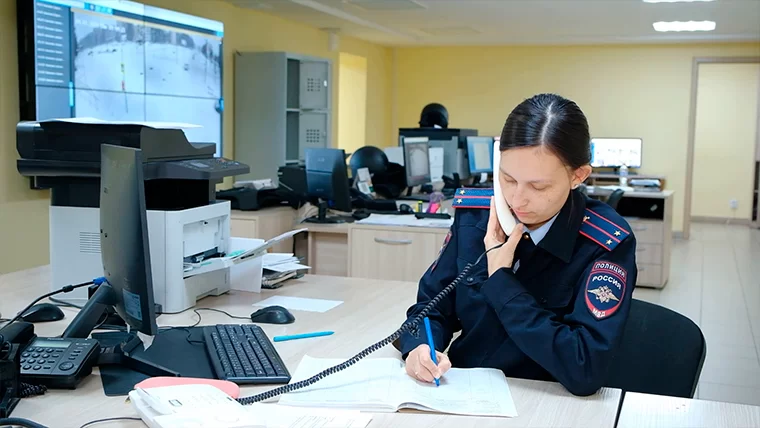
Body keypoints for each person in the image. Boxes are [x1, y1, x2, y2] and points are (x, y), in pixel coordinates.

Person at [397, 93, 638, 397]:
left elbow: (584, 368)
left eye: (538, 186)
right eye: (508, 179)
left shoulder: (605, 242)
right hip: (461, 392)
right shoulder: (476, 216)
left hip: (546, 401)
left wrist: (501, 280)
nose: (517, 199)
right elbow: (430, 307)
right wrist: (419, 346)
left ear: (578, 175)